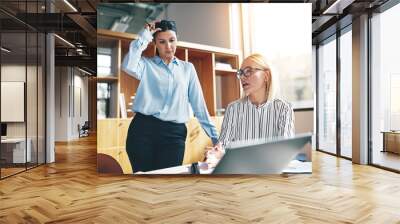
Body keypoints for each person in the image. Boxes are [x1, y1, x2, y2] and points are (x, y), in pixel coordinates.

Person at [122, 20, 218, 172]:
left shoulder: (187, 69)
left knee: (168, 181)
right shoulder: (146, 65)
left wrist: (216, 138)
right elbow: (128, 65)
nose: (168, 46)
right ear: (155, 43)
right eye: (162, 42)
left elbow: (199, 105)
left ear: (177, 39)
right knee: (144, 182)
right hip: (142, 131)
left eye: (172, 40)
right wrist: (145, 35)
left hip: (174, 135)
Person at [205, 53, 294, 164]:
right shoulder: (233, 109)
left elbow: (284, 149)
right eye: (241, 73)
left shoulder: (283, 108)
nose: (242, 77)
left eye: (248, 71)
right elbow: (223, 144)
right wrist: (216, 152)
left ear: (266, 76)